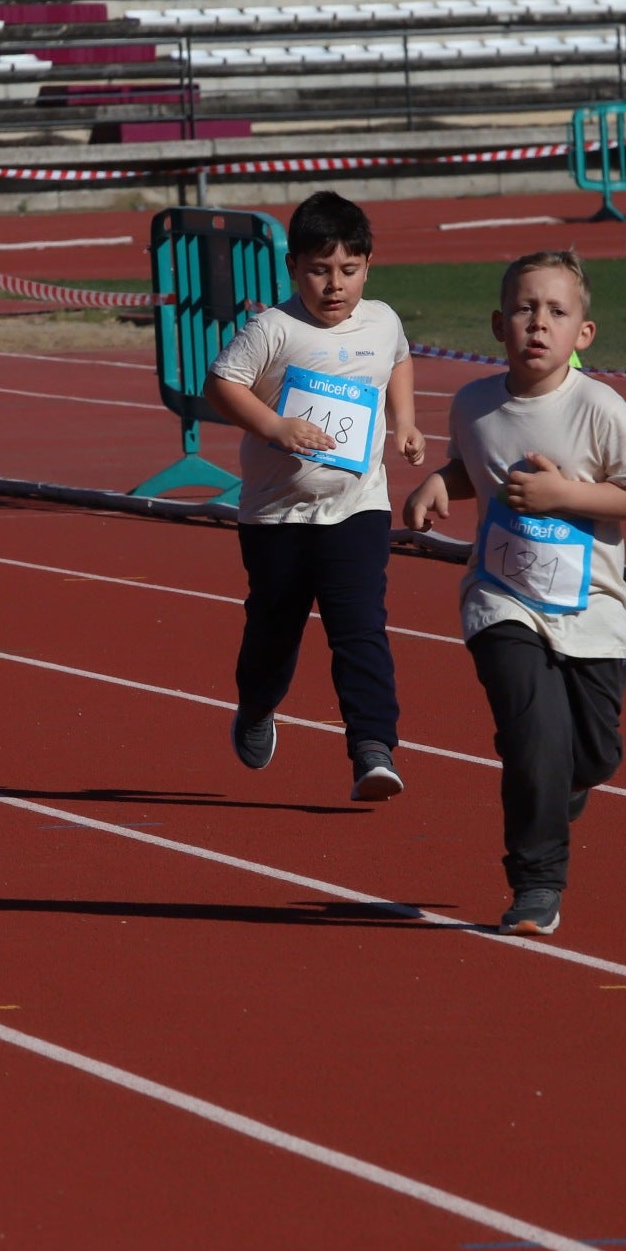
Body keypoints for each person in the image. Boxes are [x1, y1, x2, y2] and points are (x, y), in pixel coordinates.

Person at [401, 250, 626, 937]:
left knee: (593, 753)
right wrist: (439, 483)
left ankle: (571, 780)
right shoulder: (474, 404)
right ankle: (536, 884)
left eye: (556, 312)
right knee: (530, 736)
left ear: (584, 333)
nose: (537, 324)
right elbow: (478, 468)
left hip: (593, 610)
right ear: (498, 324)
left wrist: (563, 495)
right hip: (502, 598)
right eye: (524, 309)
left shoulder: (599, 408)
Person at [202, 191, 421, 802]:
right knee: (275, 627)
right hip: (277, 515)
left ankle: (372, 747)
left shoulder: (382, 321)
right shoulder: (273, 329)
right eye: (319, 270)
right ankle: (257, 703)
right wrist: (274, 428)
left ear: (368, 266)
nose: (334, 285)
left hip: (357, 506)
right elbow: (221, 385)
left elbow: (399, 361)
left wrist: (404, 421)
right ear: (294, 267)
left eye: (348, 271)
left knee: (360, 628)